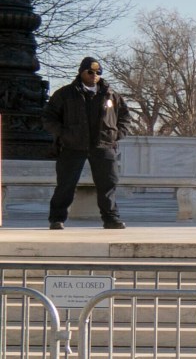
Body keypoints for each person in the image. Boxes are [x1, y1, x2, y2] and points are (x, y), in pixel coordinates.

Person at [43, 56, 132, 230]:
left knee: (108, 184)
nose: (94, 75)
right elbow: (48, 117)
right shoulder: (65, 94)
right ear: (81, 72)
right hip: (72, 146)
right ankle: (57, 219)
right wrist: (64, 134)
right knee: (66, 184)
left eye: (98, 72)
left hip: (104, 145)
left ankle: (111, 219)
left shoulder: (111, 94)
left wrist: (117, 134)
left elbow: (125, 117)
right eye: (90, 72)